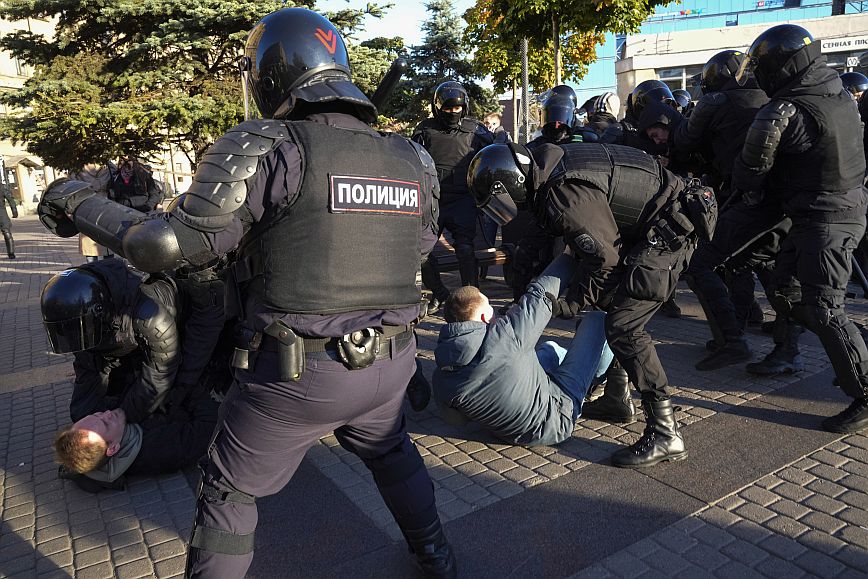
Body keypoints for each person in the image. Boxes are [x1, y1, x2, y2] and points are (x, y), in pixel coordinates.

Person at [38, 8, 455, 578]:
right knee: (390, 452)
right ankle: (437, 553)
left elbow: (166, 245)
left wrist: (76, 200)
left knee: (227, 492)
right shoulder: (412, 157)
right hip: (392, 365)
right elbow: (422, 243)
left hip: (296, 377)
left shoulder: (270, 144)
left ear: (269, 75)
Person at [468, 141, 717, 467]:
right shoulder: (550, 170)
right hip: (656, 223)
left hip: (671, 230)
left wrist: (573, 302)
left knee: (624, 327)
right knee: (609, 306)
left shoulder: (561, 192)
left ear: (512, 182)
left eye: (500, 199)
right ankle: (616, 399)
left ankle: (665, 433)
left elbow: (604, 259)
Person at [732, 24, 868, 433]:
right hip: (826, 213)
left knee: (826, 309)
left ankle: (863, 390)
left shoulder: (786, 108)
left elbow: (749, 171)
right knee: (783, 288)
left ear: (780, 64)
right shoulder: (838, 93)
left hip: (827, 219)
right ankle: (805, 351)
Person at [643, 50, 800, 374]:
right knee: (767, 269)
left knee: (701, 264)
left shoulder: (717, 103)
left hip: (754, 200)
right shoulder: (771, 98)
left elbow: (686, 139)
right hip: (788, 201)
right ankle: (785, 349)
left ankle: (732, 341)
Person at [433, 251, 615, 446]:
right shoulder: (505, 336)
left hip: (506, 433)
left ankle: (581, 374)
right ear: (485, 318)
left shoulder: (442, 374)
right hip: (558, 417)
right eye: (492, 310)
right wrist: (572, 254)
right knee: (598, 320)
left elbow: (458, 420)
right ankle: (596, 382)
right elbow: (541, 294)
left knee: (549, 348)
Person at [413, 80, 496, 308]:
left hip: (463, 199)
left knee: (465, 249)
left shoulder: (476, 131)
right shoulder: (425, 129)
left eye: (457, 108)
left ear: (464, 107)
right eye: (448, 108)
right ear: (438, 107)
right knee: (421, 251)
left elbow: (493, 156)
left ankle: (473, 299)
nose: (452, 113)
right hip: (434, 200)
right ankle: (439, 292)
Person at [54, 381, 219, 493]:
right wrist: (187, 385)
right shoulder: (161, 450)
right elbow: (209, 426)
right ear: (113, 448)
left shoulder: (110, 434)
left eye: (97, 415)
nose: (107, 413)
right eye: (105, 424)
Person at [68, 162, 117, 262]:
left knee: (94, 243)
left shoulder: (78, 166)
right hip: (100, 204)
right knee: (101, 241)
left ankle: (98, 270)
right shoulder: (106, 165)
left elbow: (72, 184)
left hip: (90, 205)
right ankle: (106, 270)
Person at [0, 180, 17, 259]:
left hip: (1, 211)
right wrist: (14, 211)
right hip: (1, 212)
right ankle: (11, 253)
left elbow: (10, 199)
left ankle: (11, 253)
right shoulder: (2, 187)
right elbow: (10, 199)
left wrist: (14, 211)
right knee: (6, 232)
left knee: (6, 232)